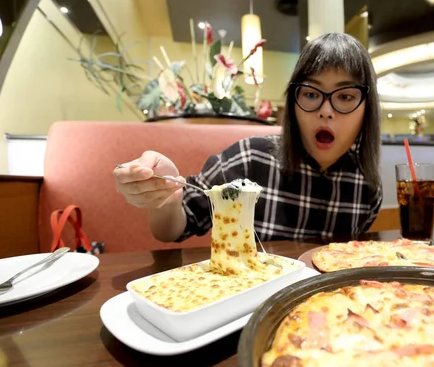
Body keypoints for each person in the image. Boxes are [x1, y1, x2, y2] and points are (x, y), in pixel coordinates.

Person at [112, 33, 382, 243]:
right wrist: (165, 198)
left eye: (345, 97)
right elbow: (172, 230)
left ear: (366, 109)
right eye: (311, 94)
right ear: (293, 101)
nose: (326, 111)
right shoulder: (248, 161)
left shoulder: (367, 186)